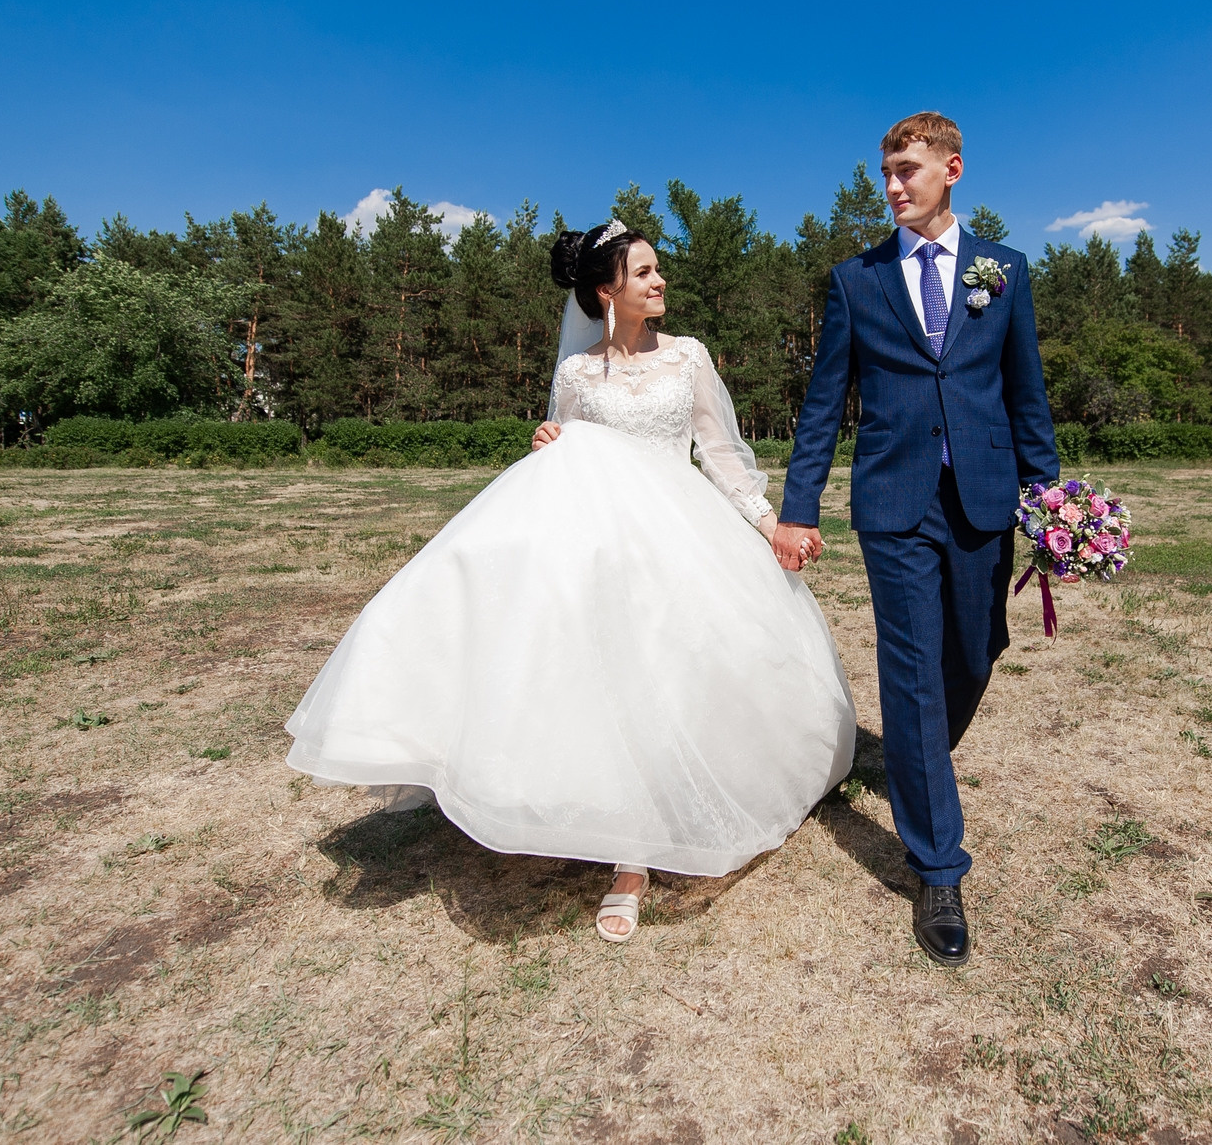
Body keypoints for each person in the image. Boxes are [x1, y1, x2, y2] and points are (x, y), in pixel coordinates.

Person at [284, 220, 855, 942]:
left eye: (657, 269)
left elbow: (720, 453)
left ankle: (638, 854)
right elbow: (562, 453)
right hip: (597, 547)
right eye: (642, 272)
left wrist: (768, 523)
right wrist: (547, 440)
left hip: (680, 540)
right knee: (597, 680)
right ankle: (608, 825)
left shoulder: (689, 357)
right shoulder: (577, 374)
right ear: (605, 291)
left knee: (672, 677)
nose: (659, 281)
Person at [772, 112, 1057, 966]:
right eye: (886, 173)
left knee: (973, 653)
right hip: (893, 504)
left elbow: (1026, 394)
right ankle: (937, 866)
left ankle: (914, 755)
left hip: (982, 497)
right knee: (911, 672)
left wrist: (1049, 505)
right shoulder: (856, 280)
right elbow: (823, 403)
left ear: (952, 169)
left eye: (908, 169)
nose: (894, 186)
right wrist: (797, 506)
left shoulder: (1005, 272)